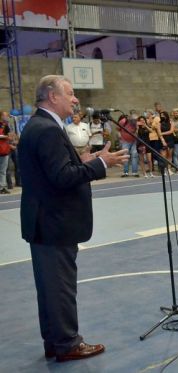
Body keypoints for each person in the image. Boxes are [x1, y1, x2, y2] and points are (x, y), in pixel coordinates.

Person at [18, 75, 129, 362]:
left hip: (43, 221)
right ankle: (68, 343)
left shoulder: (38, 125)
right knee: (61, 288)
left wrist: (85, 161)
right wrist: (102, 164)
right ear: (53, 96)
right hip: (55, 221)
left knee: (49, 288)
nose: (76, 99)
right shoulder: (48, 130)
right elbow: (62, 178)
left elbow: (52, 171)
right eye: (70, 93)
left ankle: (55, 341)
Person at [0, 115, 11, 194]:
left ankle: (2, 187)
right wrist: (5, 136)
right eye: (4, 116)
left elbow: (9, 135)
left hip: (5, 151)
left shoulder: (6, 126)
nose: (5, 117)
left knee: (3, 170)